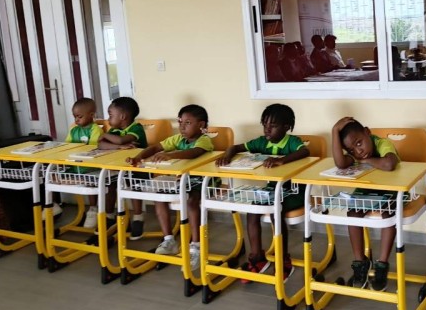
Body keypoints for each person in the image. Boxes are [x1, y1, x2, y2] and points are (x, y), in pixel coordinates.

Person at [214, 104, 309, 282]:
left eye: (272, 126)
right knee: (252, 211)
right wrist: (227, 155)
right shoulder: (261, 142)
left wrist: (281, 160)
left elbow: (306, 151)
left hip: (294, 192)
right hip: (271, 191)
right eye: (264, 125)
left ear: (286, 127)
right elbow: (235, 148)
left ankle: (283, 260)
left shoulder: (292, 141)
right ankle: (257, 257)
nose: (267, 130)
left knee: (276, 212)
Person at [127, 104, 212, 271]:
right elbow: (155, 148)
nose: (182, 126)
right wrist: (138, 157)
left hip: (200, 182)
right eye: (180, 122)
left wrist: (170, 155)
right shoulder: (177, 139)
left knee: (192, 202)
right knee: (160, 196)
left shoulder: (204, 140)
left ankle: (195, 245)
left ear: (201, 125)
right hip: (180, 180)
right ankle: (169, 240)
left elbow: (194, 153)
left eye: (187, 123)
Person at [331, 116, 399, 291]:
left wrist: (366, 161)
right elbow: (340, 164)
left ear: (367, 132)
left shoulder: (382, 144)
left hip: (390, 191)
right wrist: (334, 131)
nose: (358, 152)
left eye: (359, 143)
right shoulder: (355, 154)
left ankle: (382, 264)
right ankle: (361, 262)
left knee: (388, 214)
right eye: (351, 150)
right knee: (352, 213)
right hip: (366, 192)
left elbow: (389, 163)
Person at [97, 97, 147, 238]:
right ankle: (109, 216)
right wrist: (117, 147)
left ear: (123, 117)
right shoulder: (115, 130)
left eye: (111, 115)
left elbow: (121, 140)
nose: (108, 119)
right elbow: (100, 145)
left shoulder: (136, 128)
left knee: (133, 186)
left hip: (138, 168)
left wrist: (106, 136)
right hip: (118, 168)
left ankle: (138, 217)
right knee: (111, 185)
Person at [63, 97, 104, 229]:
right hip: (74, 165)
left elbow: (92, 147)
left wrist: (77, 147)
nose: (76, 120)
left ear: (91, 115)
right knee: (51, 174)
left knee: (91, 181)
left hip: (89, 167)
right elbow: (66, 145)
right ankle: (52, 205)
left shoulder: (95, 129)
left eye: (79, 116)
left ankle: (93, 209)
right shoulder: (73, 130)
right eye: (74, 117)